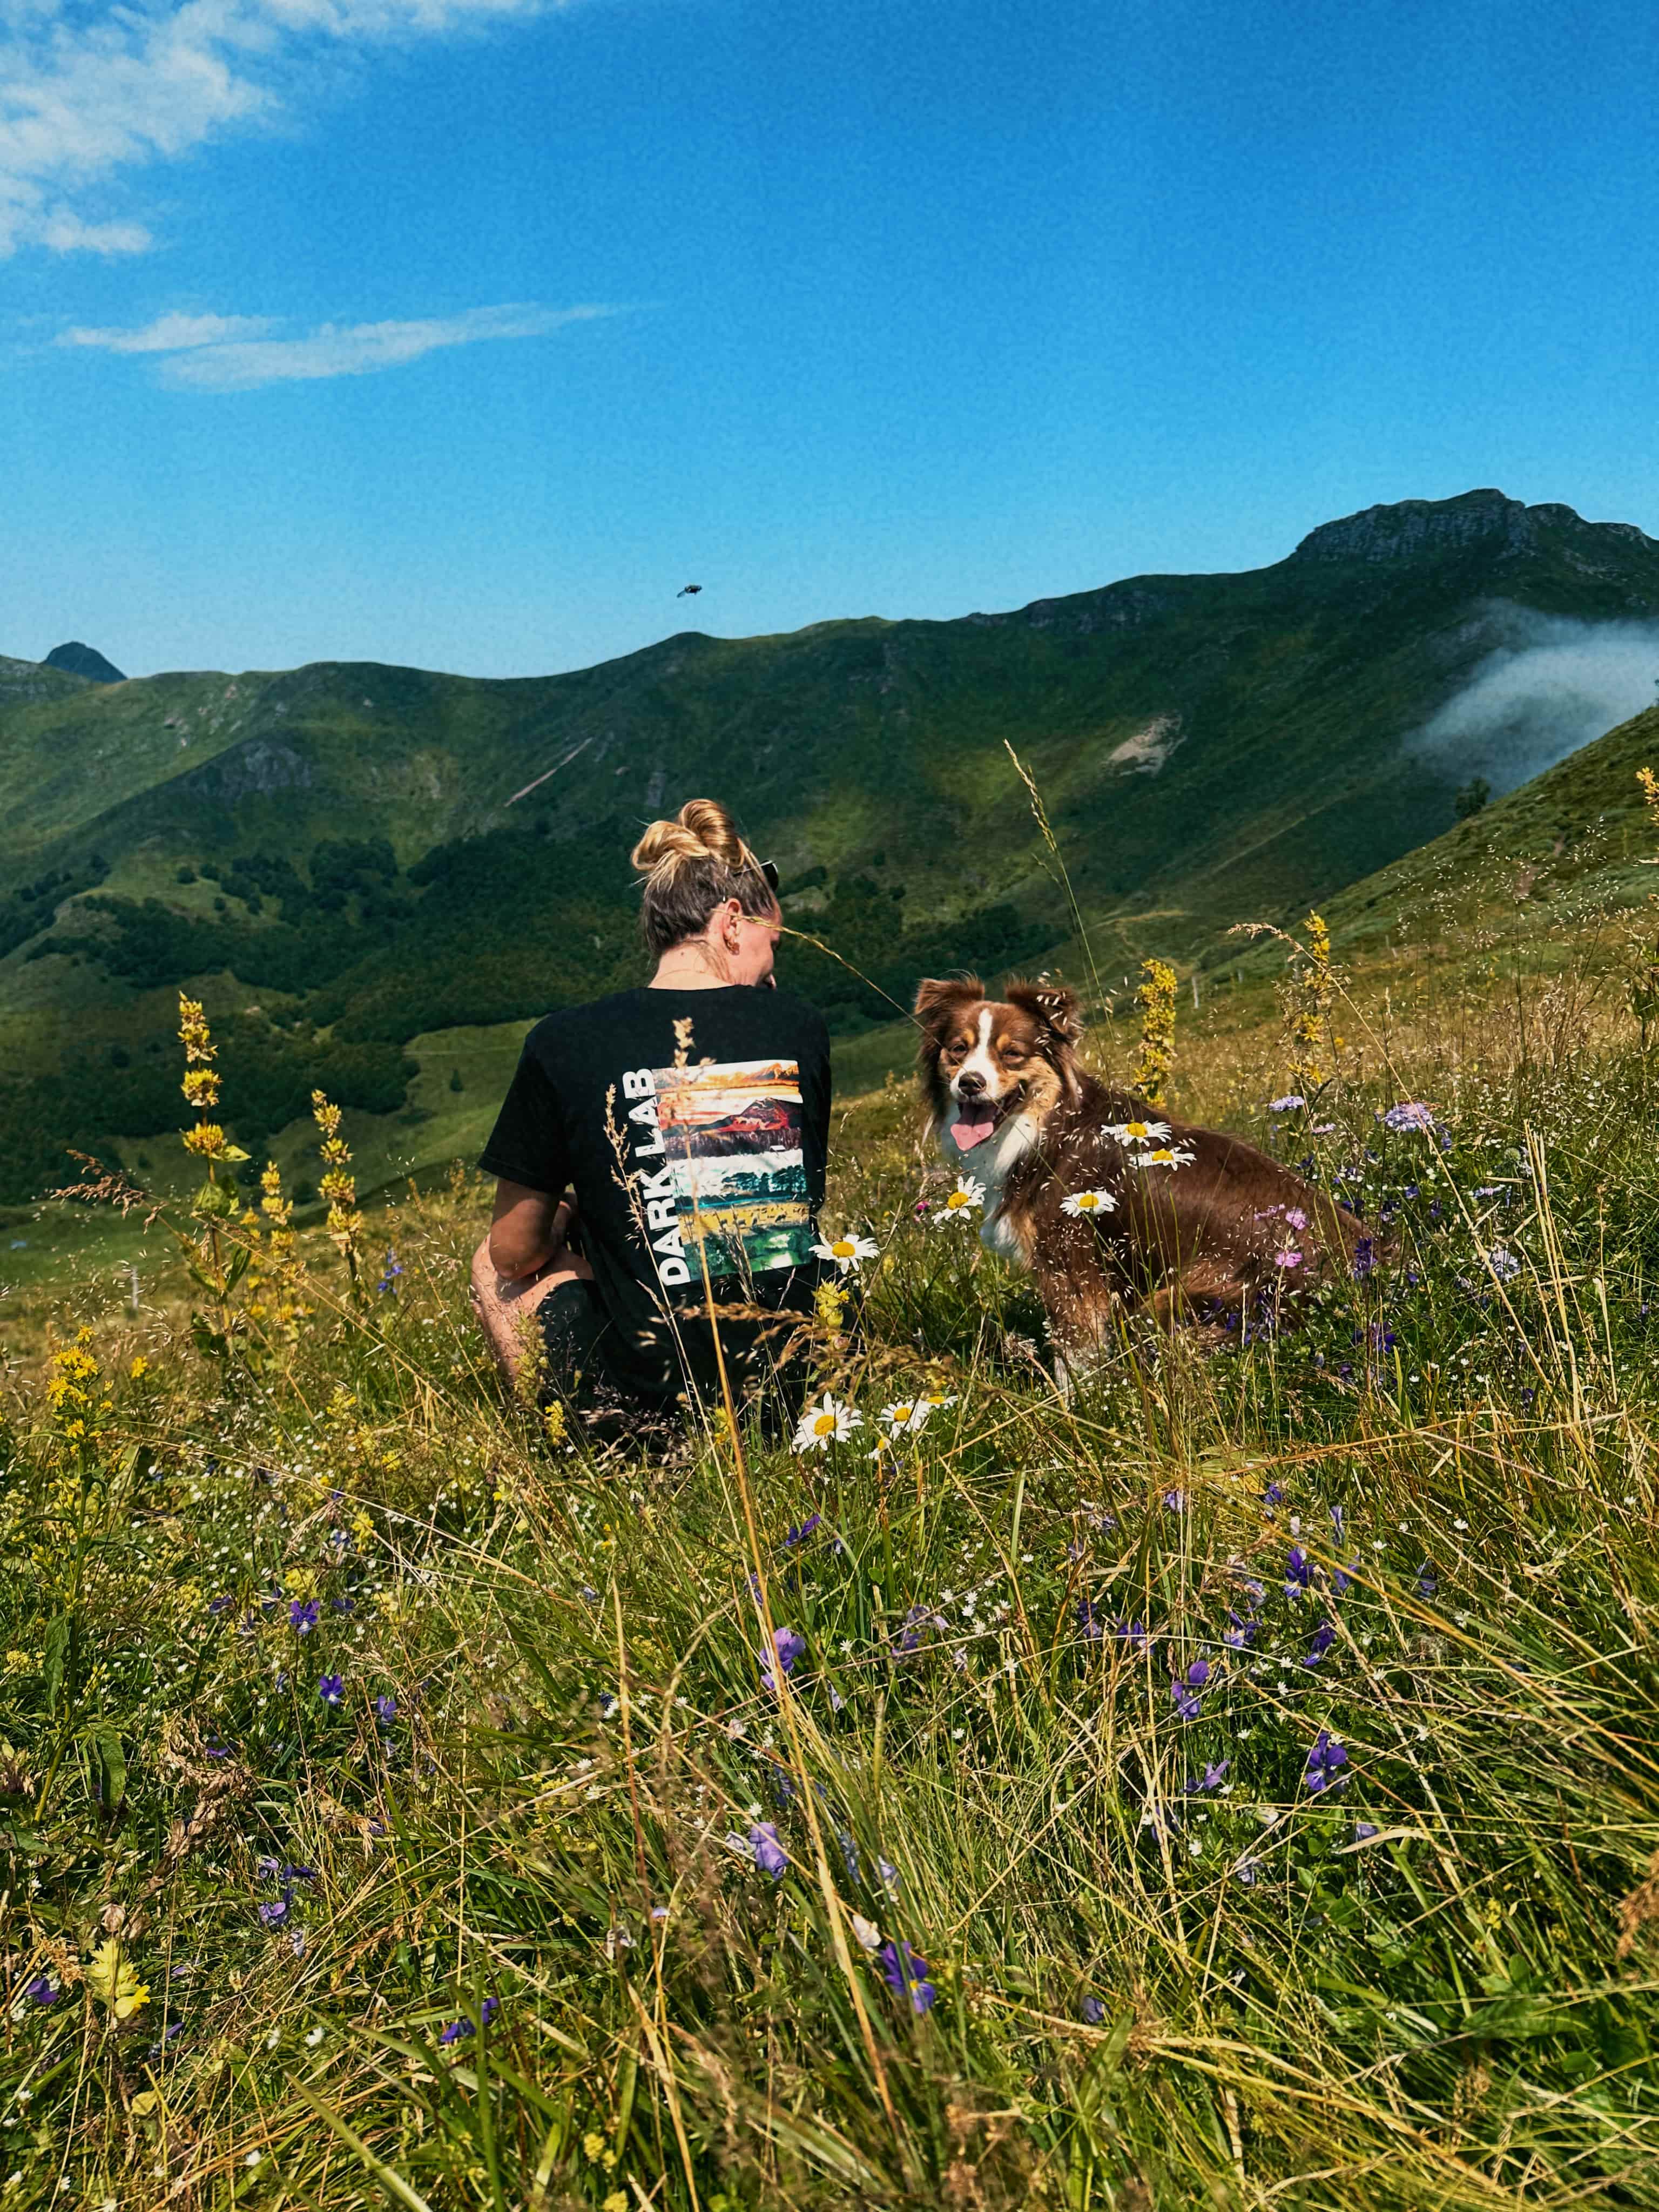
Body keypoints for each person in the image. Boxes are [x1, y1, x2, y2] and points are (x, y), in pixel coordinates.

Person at [470, 798, 832, 1437]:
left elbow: (513, 1252)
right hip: (795, 1397)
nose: (770, 972)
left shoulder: (562, 1041)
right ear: (731, 923)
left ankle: (572, 1437)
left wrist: (573, 1215)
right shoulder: (799, 1025)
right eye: (770, 947)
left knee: (488, 1262)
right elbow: (799, 1206)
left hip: (643, 1421)